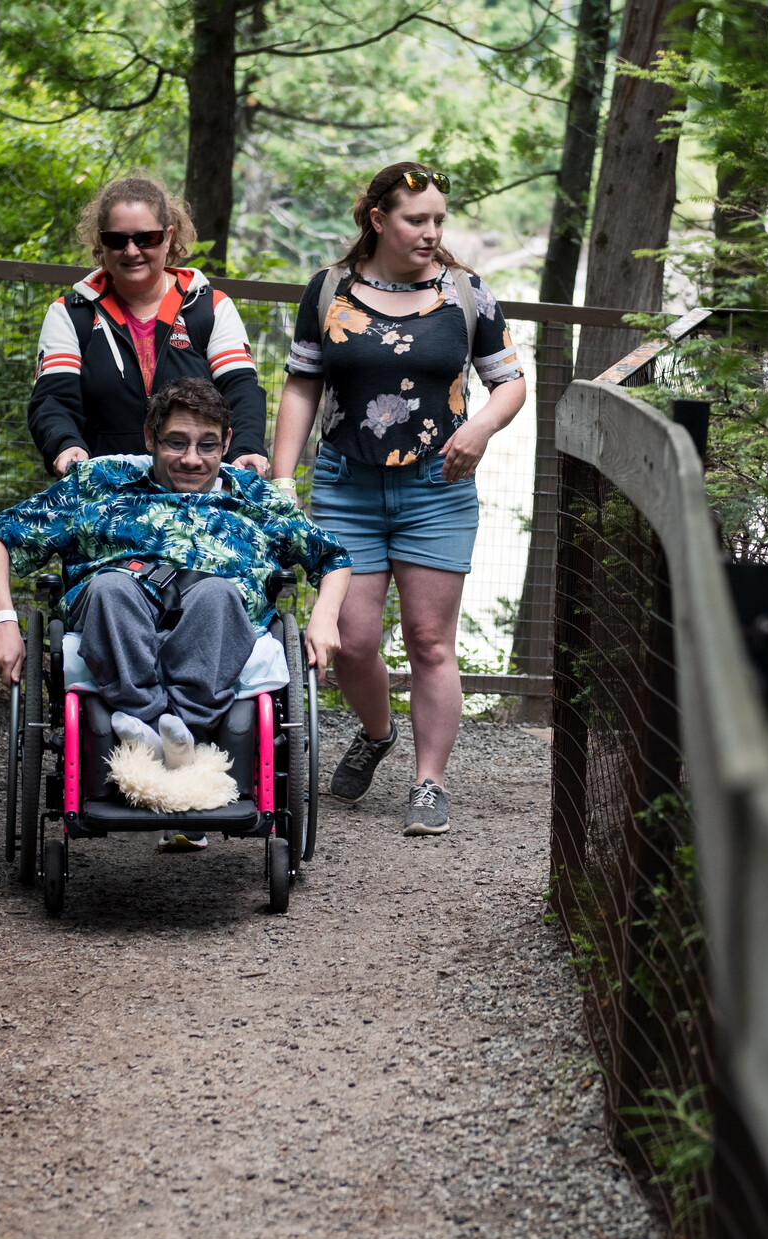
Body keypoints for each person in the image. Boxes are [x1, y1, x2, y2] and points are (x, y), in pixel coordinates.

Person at [268, 162, 527, 837]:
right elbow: (301, 384)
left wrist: (480, 425)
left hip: (436, 489)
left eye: (440, 220)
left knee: (430, 641)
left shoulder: (467, 292)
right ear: (378, 220)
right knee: (352, 641)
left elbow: (510, 383)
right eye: (417, 220)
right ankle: (379, 732)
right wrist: (280, 477)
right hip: (346, 485)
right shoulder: (328, 289)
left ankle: (429, 782)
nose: (432, 232)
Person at [0, 377, 349, 793]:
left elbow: (333, 556)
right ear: (150, 437)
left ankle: (181, 731)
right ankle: (148, 722)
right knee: (110, 590)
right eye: (176, 443)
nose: (192, 459)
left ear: (227, 442)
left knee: (217, 594)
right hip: (117, 607)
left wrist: (326, 617)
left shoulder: (255, 497)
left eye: (207, 445)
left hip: (216, 616)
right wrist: (3, 621)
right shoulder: (97, 484)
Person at [28, 175, 270, 478]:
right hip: (103, 488)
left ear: (168, 237)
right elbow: (53, 400)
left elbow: (240, 389)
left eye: (147, 238)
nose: (131, 251)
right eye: (117, 240)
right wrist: (65, 445)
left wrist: (245, 447)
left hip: (195, 489)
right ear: (100, 242)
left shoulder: (210, 308)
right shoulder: (69, 314)